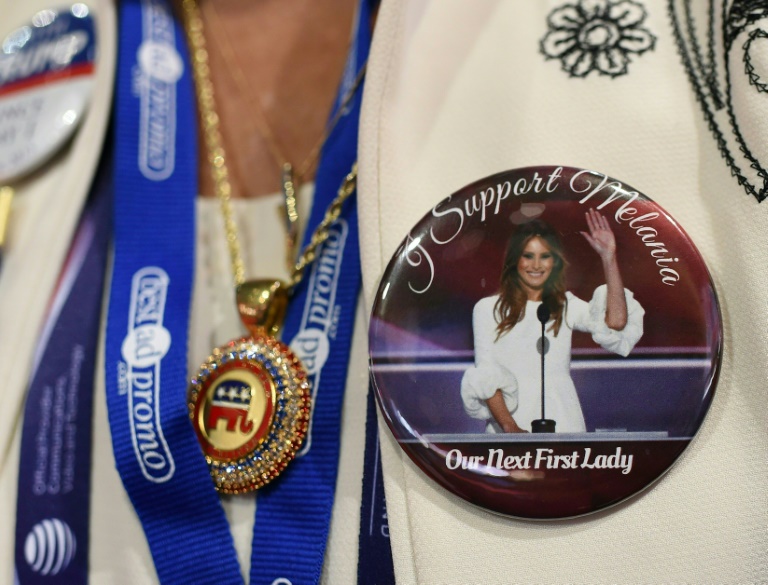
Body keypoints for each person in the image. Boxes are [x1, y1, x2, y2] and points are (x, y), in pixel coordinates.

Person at [461, 210, 645, 433]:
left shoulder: (565, 305)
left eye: (545, 256)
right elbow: (486, 373)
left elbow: (615, 323)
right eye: (528, 256)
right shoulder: (487, 309)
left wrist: (609, 258)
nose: (536, 265)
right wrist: (511, 428)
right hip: (510, 425)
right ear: (515, 259)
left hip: (563, 420)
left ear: (554, 261)